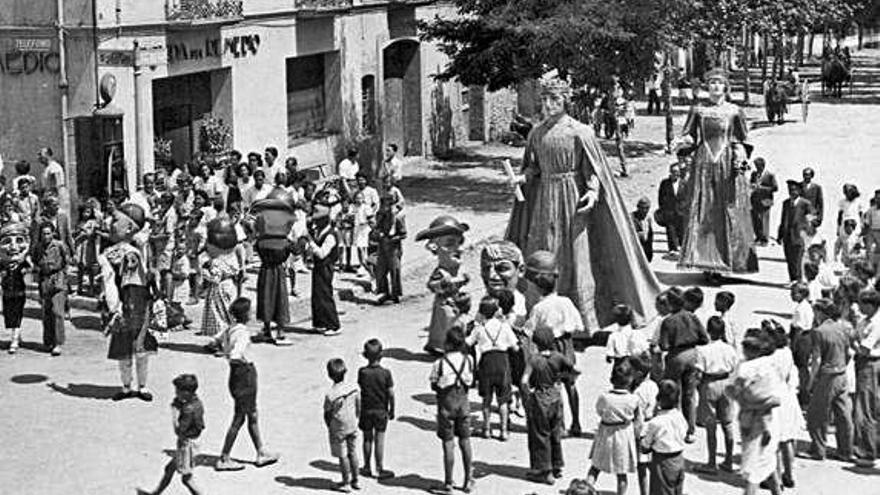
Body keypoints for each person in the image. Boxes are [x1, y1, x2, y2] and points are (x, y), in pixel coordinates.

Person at [506, 70, 660, 334]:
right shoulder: (536, 133)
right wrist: (522, 178)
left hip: (572, 198)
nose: (548, 104)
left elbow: (594, 169)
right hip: (545, 199)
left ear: (565, 100)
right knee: (545, 251)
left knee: (577, 254)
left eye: (554, 99)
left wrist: (592, 191)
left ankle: (583, 322)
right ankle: (542, 315)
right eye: (544, 99)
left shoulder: (581, 132)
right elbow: (534, 168)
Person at [671, 69, 757, 277]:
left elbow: (741, 140)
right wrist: (680, 141)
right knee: (704, 209)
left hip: (726, 162)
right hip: (703, 162)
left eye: (720, 83)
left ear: (726, 87)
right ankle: (705, 262)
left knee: (726, 209)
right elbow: (690, 136)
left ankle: (728, 260)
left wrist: (740, 159)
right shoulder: (698, 110)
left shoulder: (734, 111)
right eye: (712, 83)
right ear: (707, 87)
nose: (715, 87)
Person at [522, 250, 585, 436]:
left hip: (550, 347)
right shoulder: (566, 302)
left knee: (553, 384)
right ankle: (576, 423)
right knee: (571, 384)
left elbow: (528, 331)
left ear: (538, 288)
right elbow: (579, 325)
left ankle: (561, 426)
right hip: (567, 345)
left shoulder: (538, 308)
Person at [99, 204, 158, 402]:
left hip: (134, 306)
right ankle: (126, 386)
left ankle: (141, 386)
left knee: (140, 351)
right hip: (122, 306)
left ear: (130, 228)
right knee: (125, 351)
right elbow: (108, 283)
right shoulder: (110, 253)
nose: (110, 223)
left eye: (115, 220)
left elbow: (132, 283)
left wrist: (120, 308)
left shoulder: (131, 252)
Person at [215, 297, 280, 471]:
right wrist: (240, 362)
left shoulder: (230, 329)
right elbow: (236, 354)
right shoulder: (243, 332)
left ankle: (261, 451)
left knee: (252, 414)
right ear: (245, 314)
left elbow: (216, 340)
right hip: (244, 376)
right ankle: (224, 457)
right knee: (239, 418)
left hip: (235, 376)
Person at [725, 329, 783, 495]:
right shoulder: (770, 364)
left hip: (756, 421)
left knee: (754, 470)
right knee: (766, 462)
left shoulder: (747, 367)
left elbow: (731, 390)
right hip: (766, 419)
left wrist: (746, 401)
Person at [521, 327, 577, 485]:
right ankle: (557, 465)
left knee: (540, 435)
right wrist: (562, 377)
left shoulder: (534, 359)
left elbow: (524, 380)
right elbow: (575, 370)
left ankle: (545, 472)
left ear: (536, 343)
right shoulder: (558, 357)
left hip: (540, 399)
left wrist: (528, 395)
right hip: (555, 397)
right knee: (554, 433)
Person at [138, 374, 205, 495]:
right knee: (169, 469)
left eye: (178, 391)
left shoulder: (188, 409)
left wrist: (174, 413)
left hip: (186, 445)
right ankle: (155, 494)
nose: (176, 393)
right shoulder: (197, 403)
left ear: (186, 392)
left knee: (187, 479)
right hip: (192, 443)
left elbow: (179, 431)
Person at [806, 299, 854, 461]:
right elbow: (848, 353)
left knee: (817, 415)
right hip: (841, 373)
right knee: (843, 414)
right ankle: (845, 450)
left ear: (820, 313)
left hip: (827, 376)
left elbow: (817, 360)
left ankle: (818, 450)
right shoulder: (843, 328)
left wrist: (811, 382)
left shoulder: (819, 331)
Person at [429, 326, 475, 494]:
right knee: (465, 440)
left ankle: (448, 483)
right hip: (463, 404)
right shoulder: (468, 360)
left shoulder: (439, 363)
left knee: (448, 443)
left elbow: (434, 384)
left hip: (446, 407)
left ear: (447, 343)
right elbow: (470, 381)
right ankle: (468, 480)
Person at [659, 287, 708, 443]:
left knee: (672, 392)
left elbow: (664, 345)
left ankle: (674, 428)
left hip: (676, 357)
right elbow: (704, 339)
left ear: (671, 304)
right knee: (689, 395)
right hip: (692, 355)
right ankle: (690, 430)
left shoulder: (668, 321)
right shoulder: (692, 317)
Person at [467, 295, 519, 440]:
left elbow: (469, 343)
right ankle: (503, 431)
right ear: (497, 311)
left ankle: (487, 429)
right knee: (502, 399)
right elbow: (515, 347)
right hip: (502, 362)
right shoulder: (504, 326)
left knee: (486, 399)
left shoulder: (479, 328)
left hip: (486, 362)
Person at [586, 358, 641, 495]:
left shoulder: (604, 397)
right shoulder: (633, 399)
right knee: (621, 473)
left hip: (605, 434)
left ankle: (585, 490)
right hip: (623, 436)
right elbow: (638, 420)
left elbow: (599, 411)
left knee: (595, 467)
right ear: (630, 380)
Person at [693, 316, 738, 474]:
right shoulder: (729, 349)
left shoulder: (702, 350)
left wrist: (697, 386)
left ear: (708, 331)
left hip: (710, 383)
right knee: (727, 423)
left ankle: (711, 462)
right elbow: (733, 367)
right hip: (726, 383)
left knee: (710, 424)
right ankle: (729, 460)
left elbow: (699, 371)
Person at [419, 216, 470, 354]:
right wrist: (441, 284)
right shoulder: (440, 272)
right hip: (445, 303)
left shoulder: (458, 270)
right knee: (447, 323)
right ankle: (445, 345)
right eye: (450, 244)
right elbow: (431, 285)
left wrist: (464, 280)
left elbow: (461, 281)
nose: (458, 249)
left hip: (457, 302)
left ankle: (444, 343)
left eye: (460, 243)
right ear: (435, 247)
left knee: (455, 323)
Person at [766, 320, 802, 488]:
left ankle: (777, 479)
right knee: (787, 439)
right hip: (787, 397)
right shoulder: (787, 352)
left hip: (774, 397)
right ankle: (789, 474)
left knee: (774, 442)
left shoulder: (769, 356)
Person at [640, 380, 688, 495]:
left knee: (661, 490)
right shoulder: (679, 416)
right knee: (676, 489)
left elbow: (646, 445)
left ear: (658, 399)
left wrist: (643, 443)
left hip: (662, 461)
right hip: (679, 458)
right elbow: (684, 433)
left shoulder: (655, 422)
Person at [357, 339, 395, 480]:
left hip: (366, 409)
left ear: (365, 355)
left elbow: (362, 389)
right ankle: (379, 468)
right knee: (379, 439)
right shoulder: (386, 373)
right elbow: (391, 393)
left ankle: (366, 466)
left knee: (367, 438)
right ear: (382, 355)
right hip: (381, 410)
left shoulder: (362, 372)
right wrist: (392, 409)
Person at [324, 358, 361, 492]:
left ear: (329, 375)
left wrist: (330, 426)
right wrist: (356, 417)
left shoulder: (331, 394)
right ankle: (356, 480)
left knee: (343, 455)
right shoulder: (354, 387)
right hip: (352, 424)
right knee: (353, 452)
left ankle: (346, 482)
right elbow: (358, 405)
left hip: (338, 428)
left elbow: (327, 413)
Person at [853, 289, 880, 466]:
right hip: (867, 363)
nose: (859, 307)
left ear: (871, 305)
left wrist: (849, 341)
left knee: (866, 407)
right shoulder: (867, 320)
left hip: (869, 363)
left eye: (862, 304)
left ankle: (868, 451)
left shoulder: (876, 323)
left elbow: (864, 348)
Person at [34, 221, 69, 356]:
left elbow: (66, 261)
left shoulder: (59, 245)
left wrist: (63, 277)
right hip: (44, 280)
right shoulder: (38, 247)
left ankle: (57, 343)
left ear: (53, 233)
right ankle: (48, 341)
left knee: (57, 311)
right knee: (47, 312)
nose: (46, 236)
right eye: (43, 234)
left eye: (48, 233)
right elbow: (36, 262)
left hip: (58, 279)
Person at [308, 203, 342, 336]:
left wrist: (310, 242)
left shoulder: (330, 235)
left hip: (326, 267)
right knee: (317, 295)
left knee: (325, 294)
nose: (315, 223)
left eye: (318, 220)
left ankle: (333, 325)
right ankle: (320, 322)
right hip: (318, 267)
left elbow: (322, 253)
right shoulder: (320, 231)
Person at [629, 354, 657, 495]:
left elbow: (637, 415)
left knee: (642, 466)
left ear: (638, 373)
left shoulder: (638, 392)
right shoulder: (653, 385)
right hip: (653, 428)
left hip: (641, 429)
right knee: (652, 464)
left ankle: (644, 492)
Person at [0, 221, 30, 354]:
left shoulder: (23, 263)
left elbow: (32, 268)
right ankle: (16, 334)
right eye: (7, 241)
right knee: (9, 315)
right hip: (6, 292)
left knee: (17, 315)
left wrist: (27, 265)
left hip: (19, 292)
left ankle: (14, 339)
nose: (13, 246)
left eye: (19, 240)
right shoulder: (2, 264)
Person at [778, 180, 814, 283]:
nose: (791, 192)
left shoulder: (805, 204)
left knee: (798, 258)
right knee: (789, 258)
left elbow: (811, 218)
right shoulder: (786, 203)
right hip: (787, 235)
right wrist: (780, 235)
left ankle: (798, 279)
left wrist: (808, 232)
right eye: (789, 190)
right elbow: (783, 219)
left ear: (798, 191)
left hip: (799, 235)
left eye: (793, 190)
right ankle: (792, 278)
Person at [374, 195, 406, 305]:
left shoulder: (397, 219)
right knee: (380, 271)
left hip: (394, 249)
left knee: (394, 271)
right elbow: (375, 229)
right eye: (383, 205)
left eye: (387, 205)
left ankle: (395, 294)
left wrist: (392, 238)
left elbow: (403, 234)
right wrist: (379, 234)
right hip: (382, 247)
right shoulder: (380, 217)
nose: (385, 208)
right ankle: (384, 293)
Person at [657, 163, 687, 257]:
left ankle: (683, 248)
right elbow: (661, 196)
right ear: (670, 172)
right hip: (669, 211)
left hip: (681, 211)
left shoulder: (684, 183)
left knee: (682, 230)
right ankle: (673, 249)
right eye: (674, 172)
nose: (675, 174)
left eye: (677, 172)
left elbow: (687, 197)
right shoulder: (665, 183)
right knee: (670, 229)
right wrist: (663, 208)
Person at [749, 157, 778, 246]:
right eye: (755, 166)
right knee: (756, 219)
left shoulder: (770, 175)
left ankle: (765, 240)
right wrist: (752, 186)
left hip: (766, 201)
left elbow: (775, 188)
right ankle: (758, 237)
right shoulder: (754, 174)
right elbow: (750, 183)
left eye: (758, 166)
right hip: (755, 200)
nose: (757, 167)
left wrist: (762, 188)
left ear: (762, 166)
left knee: (764, 220)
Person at [863, 189, 880, 274]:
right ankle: (869, 269)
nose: (878, 199)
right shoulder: (871, 210)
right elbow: (867, 223)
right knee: (869, 250)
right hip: (872, 231)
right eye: (877, 198)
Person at [632, 197, 653, 262]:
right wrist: (641, 235)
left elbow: (650, 238)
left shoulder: (648, 219)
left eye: (647, 208)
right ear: (638, 207)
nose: (644, 210)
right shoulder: (631, 218)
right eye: (642, 208)